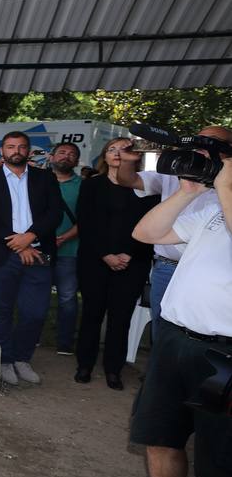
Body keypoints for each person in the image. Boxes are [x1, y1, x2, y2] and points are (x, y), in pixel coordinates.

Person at [100, 151, 231, 477]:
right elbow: (147, 234)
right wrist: (187, 191)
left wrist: (223, 182)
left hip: (225, 353)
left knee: (225, 448)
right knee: (160, 429)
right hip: (176, 339)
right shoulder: (212, 211)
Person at [110, 125, 232, 344]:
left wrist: (224, 187)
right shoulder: (182, 176)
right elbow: (142, 231)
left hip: (211, 288)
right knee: (165, 330)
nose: (202, 146)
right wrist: (186, 192)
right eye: (199, 140)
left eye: (212, 142)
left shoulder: (226, 189)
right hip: (168, 267)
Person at [0, 130, 64, 387]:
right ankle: (4, 360)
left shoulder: (45, 178)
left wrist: (31, 235)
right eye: (10, 146)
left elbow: (54, 213)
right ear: (2, 151)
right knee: (1, 309)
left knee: (35, 312)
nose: (16, 151)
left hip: (38, 254)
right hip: (3, 254)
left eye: (21, 146)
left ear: (28, 151)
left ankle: (23, 358)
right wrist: (19, 243)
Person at [74, 138, 155, 389]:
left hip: (134, 262)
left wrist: (130, 254)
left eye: (125, 149)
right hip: (95, 261)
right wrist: (105, 255)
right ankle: (84, 364)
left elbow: (152, 224)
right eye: (112, 149)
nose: (118, 153)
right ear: (104, 156)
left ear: (135, 155)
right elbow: (85, 223)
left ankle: (113, 369)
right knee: (91, 314)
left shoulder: (147, 186)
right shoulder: (92, 185)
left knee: (121, 318)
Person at [49, 142, 83, 356]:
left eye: (72, 154)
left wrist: (63, 238)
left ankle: (64, 342)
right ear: (52, 156)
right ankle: (31, 337)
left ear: (77, 161)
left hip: (69, 251)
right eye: (62, 152)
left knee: (67, 298)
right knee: (35, 296)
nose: (66, 156)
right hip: (38, 249)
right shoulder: (37, 181)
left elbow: (87, 219)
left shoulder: (84, 185)